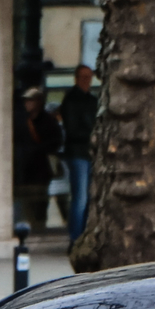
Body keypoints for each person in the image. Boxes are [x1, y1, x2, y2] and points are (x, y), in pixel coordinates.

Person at [59, 64, 99, 241]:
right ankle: (76, 237)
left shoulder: (92, 100)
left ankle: (85, 234)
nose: (86, 81)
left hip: (90, 154)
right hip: (78, 154)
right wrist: (91, 136)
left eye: (89, 77)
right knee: (80, 198)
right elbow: (72, 129)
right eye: (83, 77)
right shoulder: (71, 100)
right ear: (76, 78)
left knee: (89, 198)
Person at [15, 85, 61, 232]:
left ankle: (39, 228)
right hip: (23, 172)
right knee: (25, 206)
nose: (28, 104)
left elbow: (55, 142)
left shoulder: (48, 122)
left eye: (32, 100)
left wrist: (38, 150)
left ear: (39, 102)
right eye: (26, 100)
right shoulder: (20, 121)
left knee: (40, 206)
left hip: (41, 172)